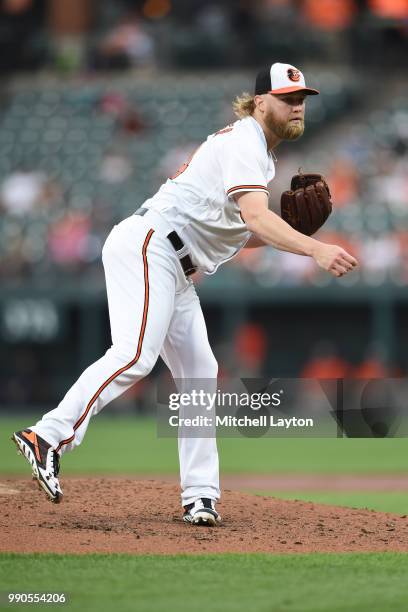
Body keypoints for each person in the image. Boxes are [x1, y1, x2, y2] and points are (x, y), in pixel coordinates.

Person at [12, 62, 358, 526]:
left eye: (302, 99)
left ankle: (200, 496)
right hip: (151, 245)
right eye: (287, 98)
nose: (297, 107)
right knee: (135, 354)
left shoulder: (259, 154)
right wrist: (313, 247)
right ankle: (47, 436)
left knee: (199, 374)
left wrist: (289, 231)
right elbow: (256, 220)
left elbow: (236, 232)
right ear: (260, 103)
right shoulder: (245, 143)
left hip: (175, 263)